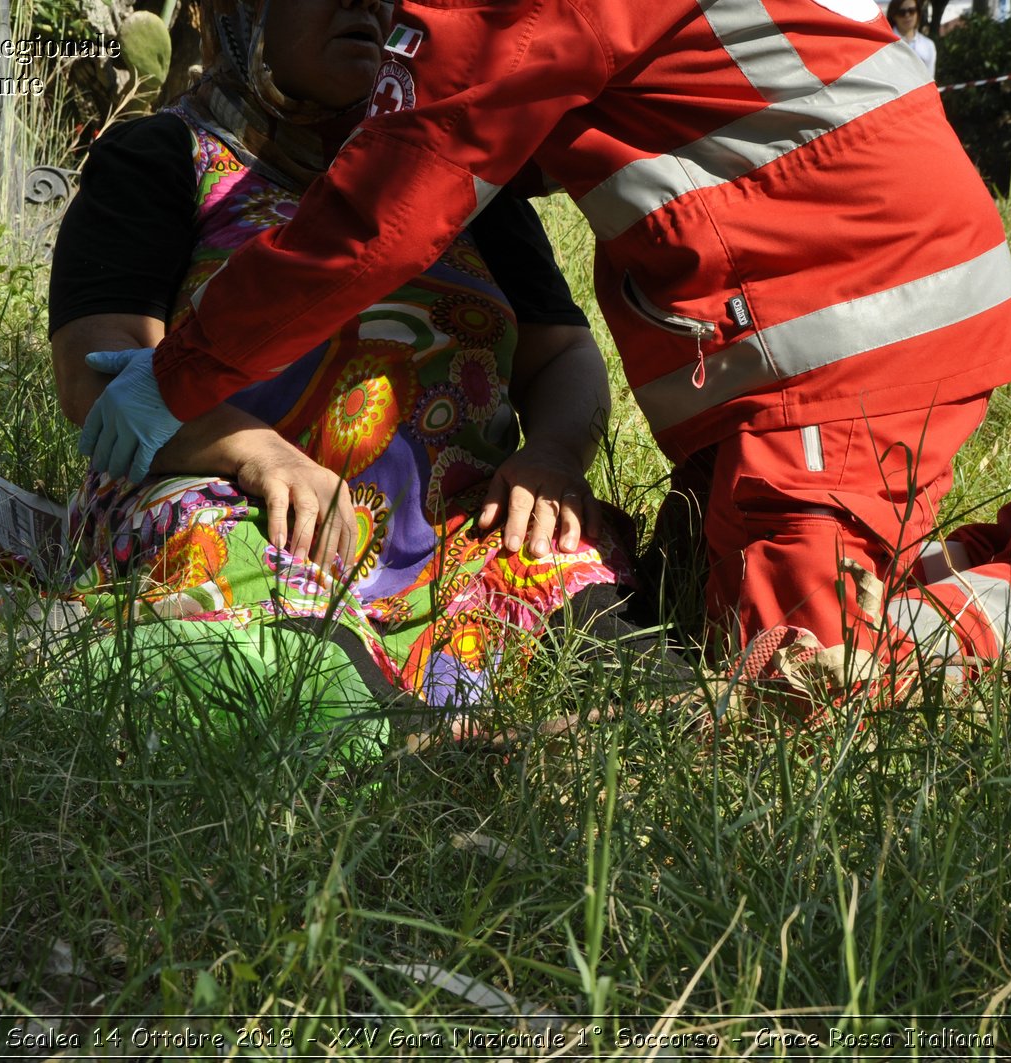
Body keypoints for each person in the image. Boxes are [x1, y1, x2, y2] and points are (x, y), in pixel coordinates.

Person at [79, 0, 1011, 714]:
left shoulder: (455, 109)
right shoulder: (165, 158)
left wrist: (549, 456)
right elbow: (96, 348)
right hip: (810, 324)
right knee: (705, 612)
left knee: (783, 691)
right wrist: (229, 435)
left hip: (838, 328)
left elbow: (401, 215)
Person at [51, 0, 638, 720]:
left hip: (447, 531)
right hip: (241, 512)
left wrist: (550, 453)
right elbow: (97, 372)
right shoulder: (163, 158)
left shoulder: (454, 173)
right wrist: (255, 451)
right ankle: (387, 740)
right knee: (225, 549)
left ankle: (658, 719)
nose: (367, 2)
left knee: (555, 561)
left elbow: (565, 354)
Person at [888, 0, 936, 80]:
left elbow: (930, 79)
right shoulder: (884, 43)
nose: (907, 15)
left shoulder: (928, 45)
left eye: (912, 11)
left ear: (918, 13)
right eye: (901, 12)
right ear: (893, 15)